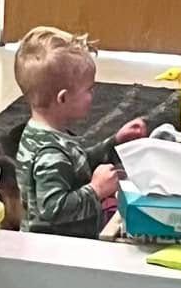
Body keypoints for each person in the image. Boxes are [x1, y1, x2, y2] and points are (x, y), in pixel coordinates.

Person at [13, 27, 148, 236]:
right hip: (55, 251)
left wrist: (114, 143)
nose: (93, 94)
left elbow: (77, 164)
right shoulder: (50, 154)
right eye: (89, 89)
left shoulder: (45, 135)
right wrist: (96, 190)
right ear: (63, 98)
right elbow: (54, 209)